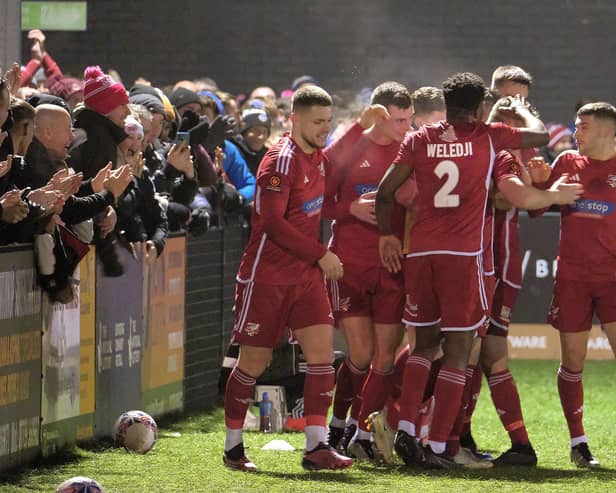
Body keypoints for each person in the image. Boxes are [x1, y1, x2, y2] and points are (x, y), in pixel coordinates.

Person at [375, 72, 578, 469]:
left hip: (421, 253)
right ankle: (437, 447)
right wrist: (518, 110)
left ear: (447, 105)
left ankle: (405, 431)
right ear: (481, 107)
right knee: (459, 351)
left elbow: (385, 192)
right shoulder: (488, 136)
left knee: (422, 346)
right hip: (463, 256)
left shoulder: (420, 138)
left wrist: (386, 236)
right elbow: (538, 137)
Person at [223, 85, 353, 472]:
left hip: (304, 276)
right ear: (294, 119)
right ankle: (232, 448)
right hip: (266, 276)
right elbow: (273, 225)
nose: (324, 129)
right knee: (254, 362)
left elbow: (320, 204)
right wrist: (322, 253)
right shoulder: (279, 161)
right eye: (317, 122)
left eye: (328, 122)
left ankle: (316, 448)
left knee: (321, 357)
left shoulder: (317, 158)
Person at [323, 82, 412, 461]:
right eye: (398, 120)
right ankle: (343, 425)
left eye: (410, 120)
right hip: (349, 265)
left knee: (384, 357)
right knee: (360, 355)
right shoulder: (354, 143)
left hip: (391, 267)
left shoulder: (409, 151)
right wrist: (350, 210)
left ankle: (359, 432)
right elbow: (317, 193)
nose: (405, 127)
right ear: (378, 114)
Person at [541, 102, 616, 468]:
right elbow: (537, 208)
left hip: (614, 278)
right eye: (575, 125)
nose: (575, 133)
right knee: (572, 361)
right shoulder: (567, 162)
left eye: (583, 126)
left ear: (606, 130)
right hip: (572, 277)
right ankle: (579, 442)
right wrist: (547, 186)